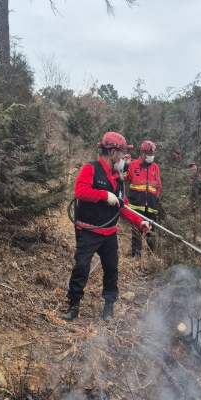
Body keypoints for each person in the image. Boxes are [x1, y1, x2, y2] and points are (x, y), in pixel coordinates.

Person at [62, 132, 151, 323]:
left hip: (109, 233)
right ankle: (73, 305)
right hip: (88, 230)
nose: (125, 158)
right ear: (112, 152)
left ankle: (109, 307)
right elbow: (80, 191)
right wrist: (104, 195)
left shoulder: (118, 178)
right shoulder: (90, 169)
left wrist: (139, 222)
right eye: (123, 153)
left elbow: (122, 206)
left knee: (111, 270)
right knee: (81, 266)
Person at [125, 140, 162, 256]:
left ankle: (152, 257)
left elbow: (158, 186)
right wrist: (125, 165)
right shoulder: (133, 165)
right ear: (142, 153)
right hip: (137, 206)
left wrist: (155, 199)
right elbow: (123, 178)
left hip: (151, 207)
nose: (151, 156)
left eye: (153, 154)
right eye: (149, 154)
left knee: (151, 234)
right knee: (136, 233)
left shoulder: (155, 167)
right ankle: (136, 257)